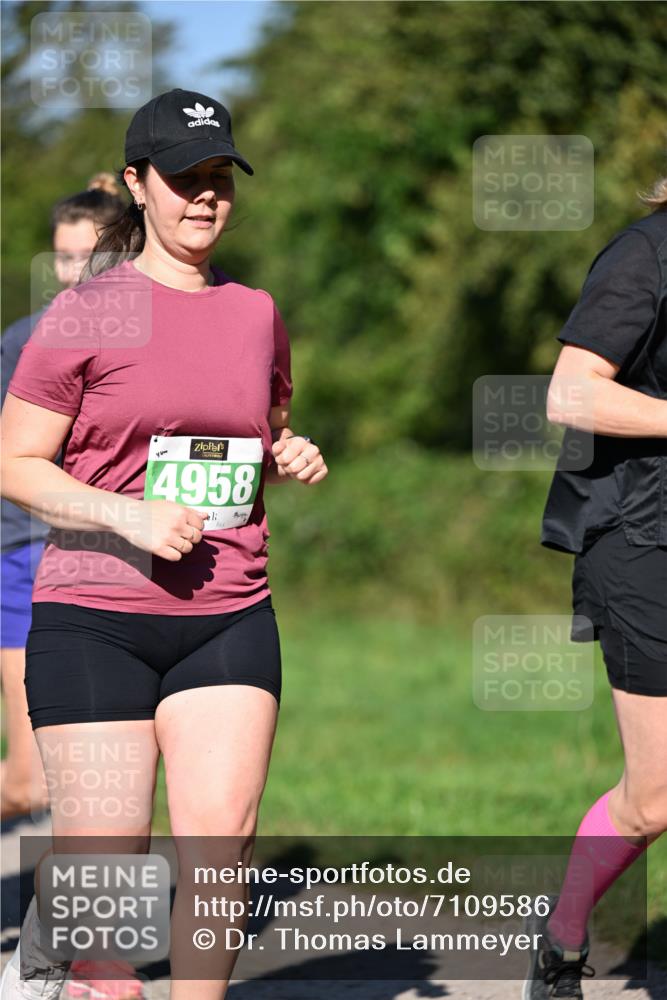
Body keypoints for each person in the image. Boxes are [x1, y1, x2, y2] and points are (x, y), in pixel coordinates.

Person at [0, 87, 328, 1000]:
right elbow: (14, 463)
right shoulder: (87, 314)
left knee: (220, 846)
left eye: (219, 177)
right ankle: (78, 971)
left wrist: (285, 454)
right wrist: (127, 513)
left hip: (228, 612)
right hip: (97, 614)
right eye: (184, 178)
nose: (204, 195)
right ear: (138, 185)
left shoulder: (255, 312)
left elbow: (252, 436)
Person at [523, 175, 667, 998]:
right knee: (652, 799)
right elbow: (571, 391)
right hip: (644, 542)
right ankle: (560, 940)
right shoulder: (644, 254)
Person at [1, 173, 125, 819]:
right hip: (25, 556)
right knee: (31, 786)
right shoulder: (28, 341)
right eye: (66, 258)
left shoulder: (149, 336)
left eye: (94, 258)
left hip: (113, 561)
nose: (77, 274)